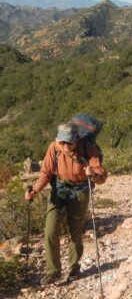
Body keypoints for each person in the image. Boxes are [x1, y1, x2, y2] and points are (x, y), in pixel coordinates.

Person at [25, 122, 107, 285]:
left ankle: (74, 269)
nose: (65, 145)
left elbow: (101, 175)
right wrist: (34, 190)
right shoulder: (54, 147)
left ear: (76, 139)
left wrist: (93, 175)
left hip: (80, 190)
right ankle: (53, 271)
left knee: (74, 231)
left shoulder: (88, 148)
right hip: (59, 189)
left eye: (69, 142)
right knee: (50, 230)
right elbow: (46, 173)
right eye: (62, 141)